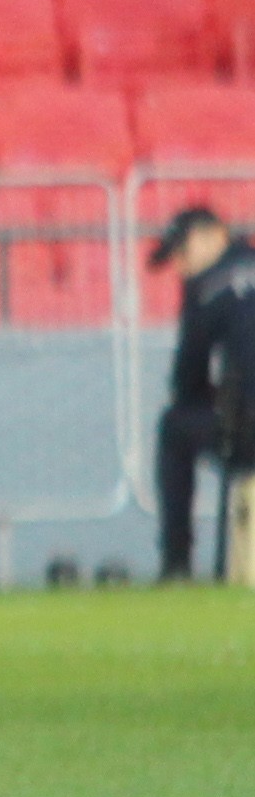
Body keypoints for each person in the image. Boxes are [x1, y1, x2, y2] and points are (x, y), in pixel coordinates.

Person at [150, 205, 255, 582]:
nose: (179, 266)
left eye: (182, 252)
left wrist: (213, 400)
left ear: (215, 235)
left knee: (174, 429)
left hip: (248, 432)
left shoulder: (207, 286)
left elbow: (188, 376)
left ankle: (176, 565)